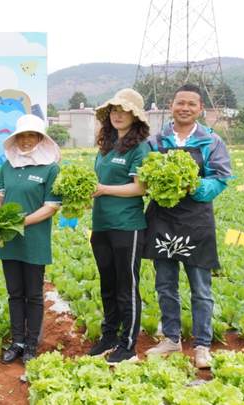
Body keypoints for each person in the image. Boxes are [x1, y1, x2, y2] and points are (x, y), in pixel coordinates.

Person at [143, 84, 232, 369]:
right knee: (165, 284)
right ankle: (171, 338)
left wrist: (192, 184)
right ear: (172, 105)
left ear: (200, 108)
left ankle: (202, 345)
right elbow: (144, 176)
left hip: (196, 222)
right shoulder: (157, 141)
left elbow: (220, 178)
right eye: (180, 102)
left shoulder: (211, 141)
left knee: (201, 288)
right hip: (163, 220)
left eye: (191, 104)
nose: (185, 108)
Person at [0, 114, 62, 365]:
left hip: (34, 240)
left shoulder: (50, 168)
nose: (26, 140)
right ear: (16, 139)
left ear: (40, 139)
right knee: (14, 293)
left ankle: (31, 344)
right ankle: (17, 342)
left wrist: (21, 222)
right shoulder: (8, 166)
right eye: (22, 136)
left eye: (32, 135)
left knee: (33, 294)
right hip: (10, 240)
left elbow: (51, 207)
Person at [87, 89, 151, 364]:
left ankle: (128, 344)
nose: (117, 115)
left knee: (127, 285)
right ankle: (109, 335)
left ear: (134, 116)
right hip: (101, 224)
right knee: (108, 284)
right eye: (113, 110)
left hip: (127, 226)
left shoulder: (141, 148)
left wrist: (103, 189)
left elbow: (140, 188)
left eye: (123, 111)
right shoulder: (106, 146)